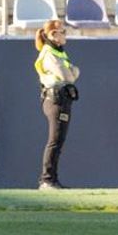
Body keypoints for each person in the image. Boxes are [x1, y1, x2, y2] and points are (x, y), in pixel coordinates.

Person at [34, 19, 78, 190]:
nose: (66, 35)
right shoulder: (49, 53)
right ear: (53, 34)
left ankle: (52, 179)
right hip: (55, 99)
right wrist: (73, 72)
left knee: (58, 141)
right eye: (63, 32)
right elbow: (69, 76)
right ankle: (47, 180)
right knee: (55, 141)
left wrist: (72, 72)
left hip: (62, 98)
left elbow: (71, 72)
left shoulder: (58, 52)